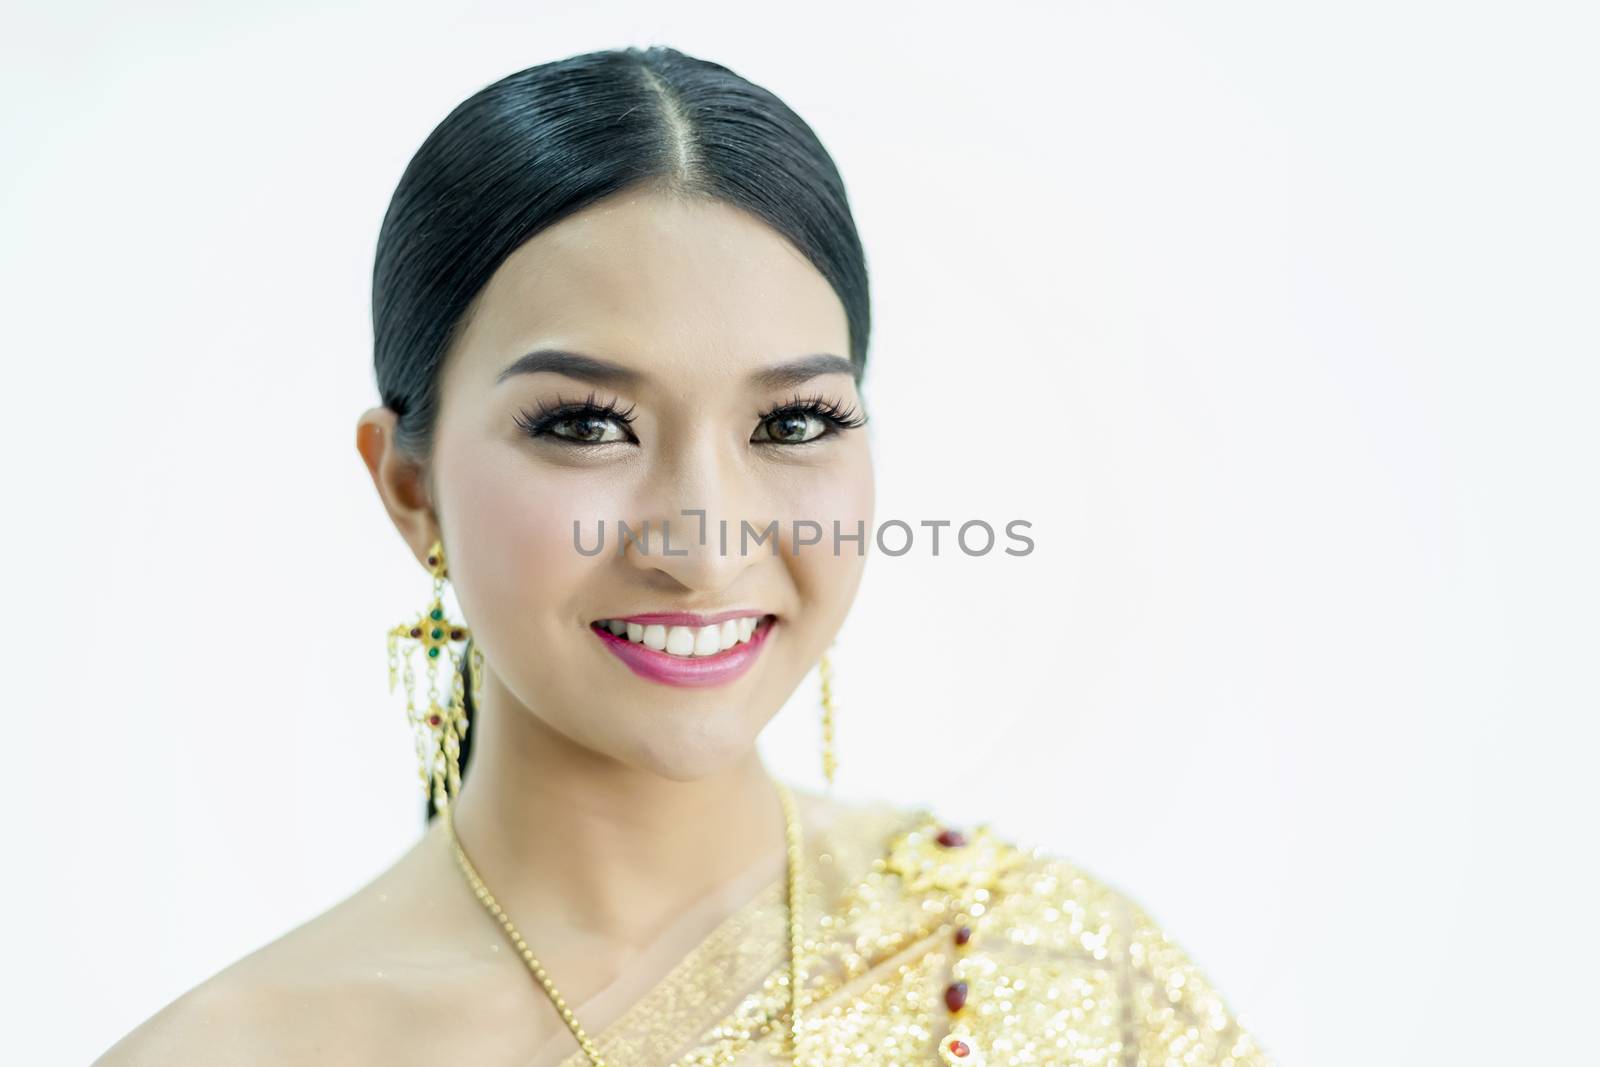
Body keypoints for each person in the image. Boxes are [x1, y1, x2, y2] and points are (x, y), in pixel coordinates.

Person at [94, 45, 1273, 1066]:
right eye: (587, 426)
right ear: (410, 487)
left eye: (791, 424)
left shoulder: (1057, 978)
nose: (705, 544)